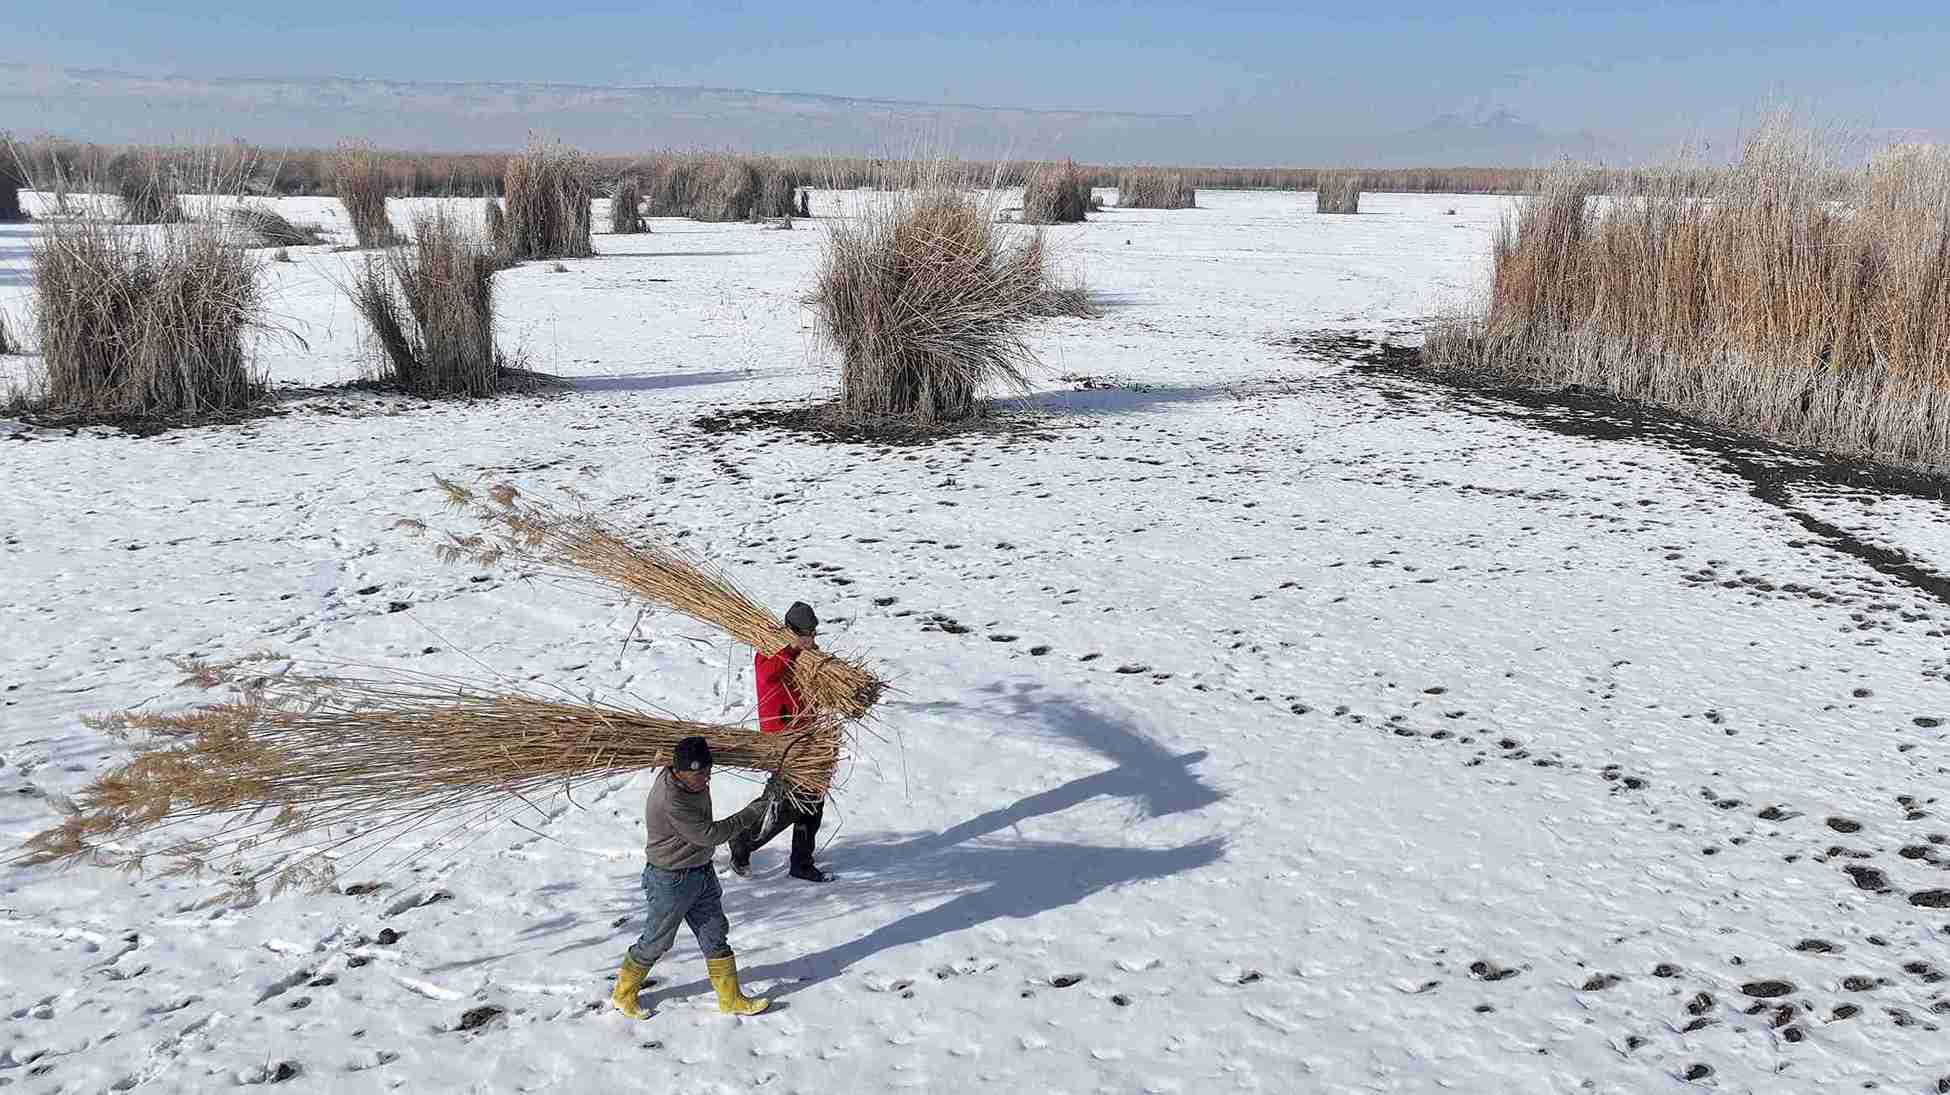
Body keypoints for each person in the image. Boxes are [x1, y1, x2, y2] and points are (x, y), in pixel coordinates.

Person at [610, 735, 777, 1020]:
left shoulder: (688, 775)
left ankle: (731, 999)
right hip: (670, 881)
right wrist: (753, 812)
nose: (705, 780)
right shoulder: (670, 800)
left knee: (715, 934)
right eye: (699, 774)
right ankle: (623, 994)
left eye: (708, 772)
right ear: (679, 771)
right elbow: (710, 835)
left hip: (701, 872)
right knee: (657, 941)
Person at [730, 601, 830, 883]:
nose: (811, 636)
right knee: (782, 803)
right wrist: (793, 648)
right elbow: (768, 673)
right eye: (806, 632)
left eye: (813, 631)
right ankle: (743, 840)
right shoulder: (770, 650)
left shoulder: (808, 654)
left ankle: (801, 861)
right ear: (793, 630)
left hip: (808, 737)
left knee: (813, 800)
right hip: (783, 738)